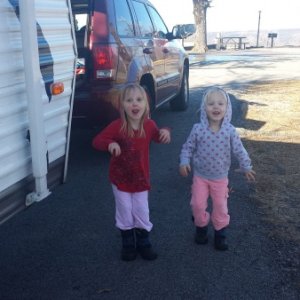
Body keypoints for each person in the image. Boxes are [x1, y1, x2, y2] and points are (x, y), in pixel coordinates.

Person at [92, 83, 171, 261]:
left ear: (146, 105)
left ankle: (144, 242)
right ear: (122, 105)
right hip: (120, 179)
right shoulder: (117, 125)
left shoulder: (149, 125)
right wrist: (110, 144)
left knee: (142, 210)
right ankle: (128, 243)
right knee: (125, 210)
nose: (134, 104)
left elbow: (159, 136)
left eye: (139, 100)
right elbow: (97, 141)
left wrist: (166, 131)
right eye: (129, 100)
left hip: (141, 179)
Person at [179, 87, 255, 251]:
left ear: (227, 108)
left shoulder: (230, 131)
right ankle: (201, 228)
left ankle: (220, 233)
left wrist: (246, 165)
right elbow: (188, 147)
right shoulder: (197, 129)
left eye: (220, 104)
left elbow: (239, 150)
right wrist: (184, 161)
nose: (216, 107)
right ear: (204, 107)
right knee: (198, 205)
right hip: (200, 177)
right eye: (211, 103)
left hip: (220, 179)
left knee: (220, 206)